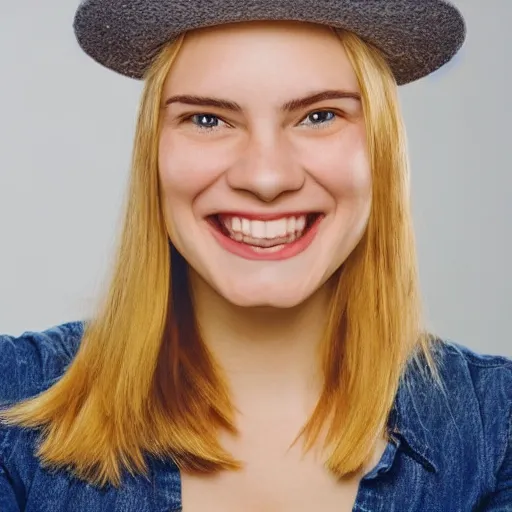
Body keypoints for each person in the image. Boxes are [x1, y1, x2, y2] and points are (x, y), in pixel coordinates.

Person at [0, 1, 510, 511]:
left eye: (319, 116)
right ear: (152, 151)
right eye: (207, 119)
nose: (266, 178)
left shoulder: (498, 430)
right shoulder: (10, 400)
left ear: (381, 147)